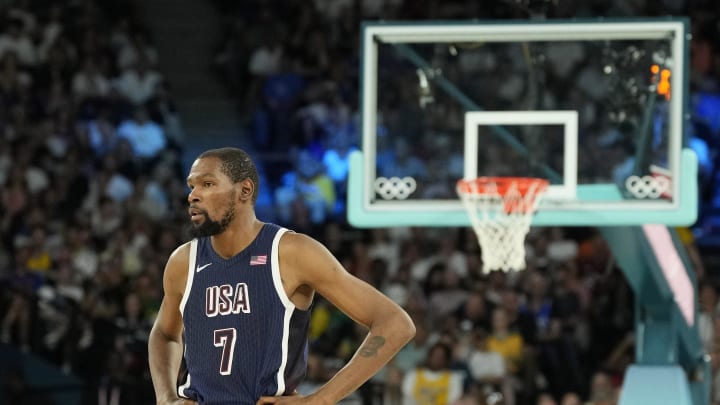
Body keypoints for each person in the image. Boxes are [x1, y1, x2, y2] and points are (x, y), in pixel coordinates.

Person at [148, 147, 416, 405]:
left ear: (244, 190)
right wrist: (165, 396)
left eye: (207, 184)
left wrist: (322, 398)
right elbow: (164, 333)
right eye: (191, 186)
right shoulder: (183, 261)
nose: (193, 195)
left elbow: (394, 323)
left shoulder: (291, 251)